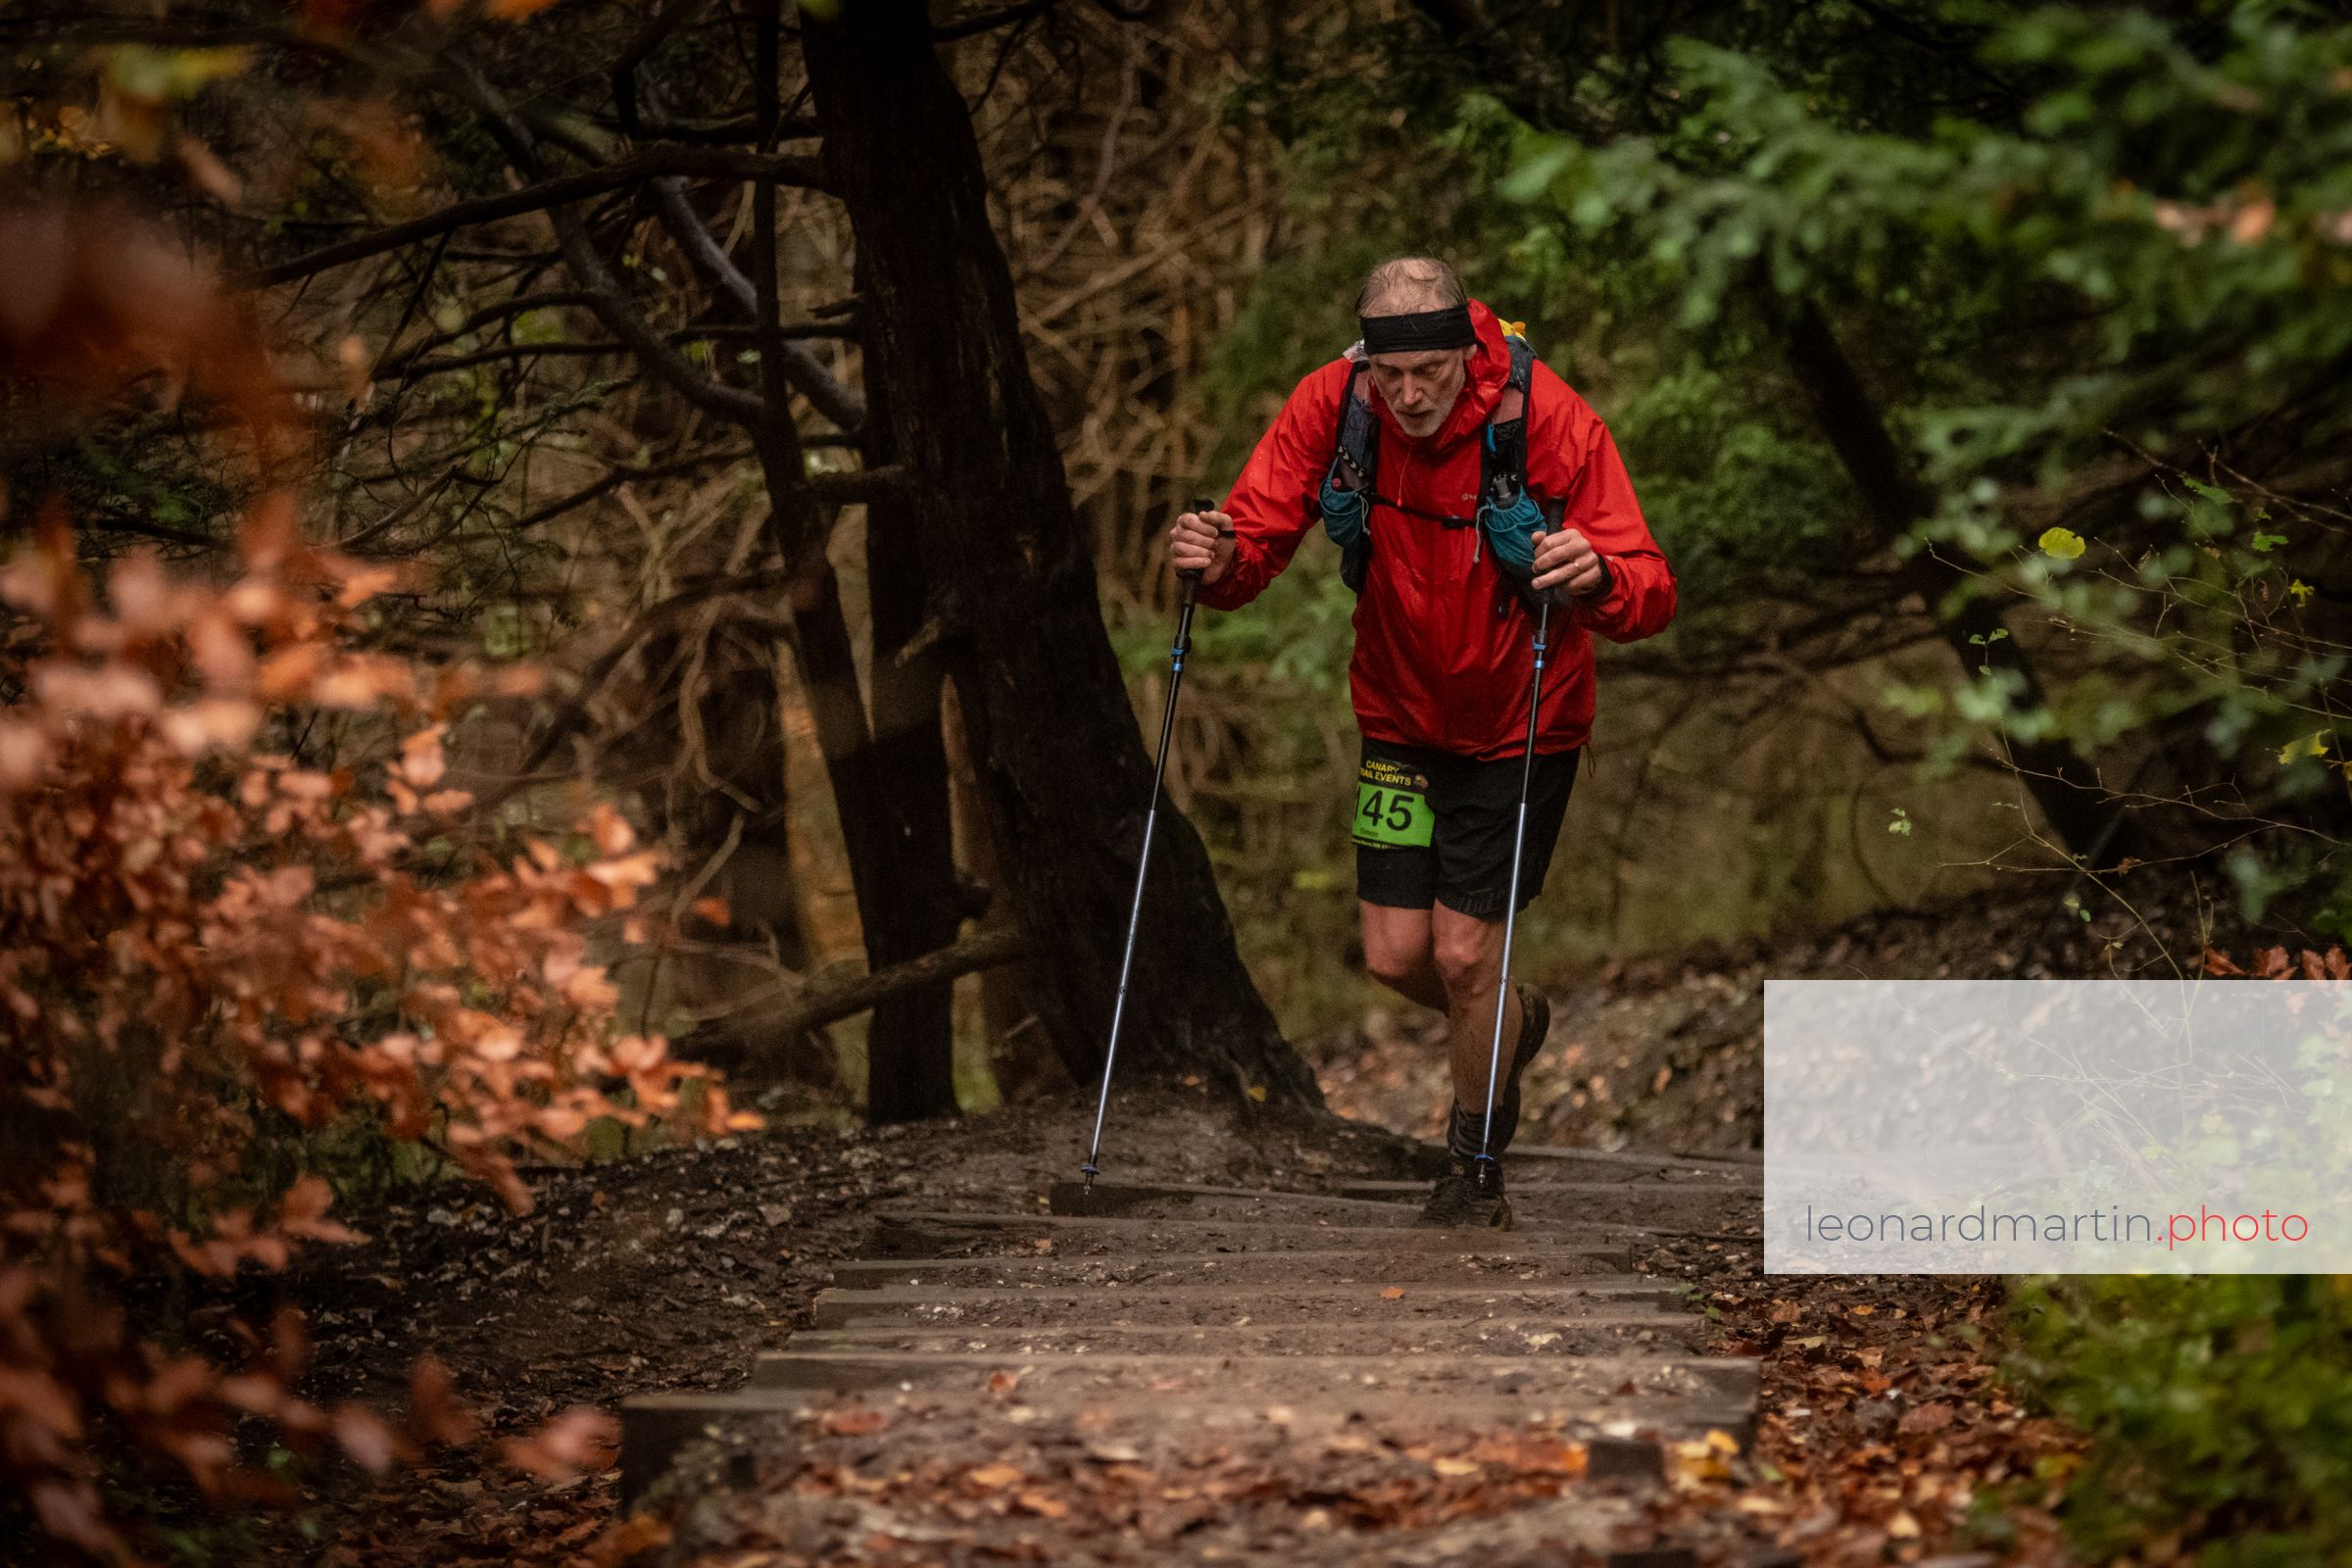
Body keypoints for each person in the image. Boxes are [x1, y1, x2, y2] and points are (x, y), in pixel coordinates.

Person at [1166, 256, 1677, 1226]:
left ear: (1466, 352)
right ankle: (1510, 1019)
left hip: (1523, 723)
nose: (1406, 397)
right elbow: (1253, 541)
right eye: (1389, 375)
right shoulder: (1334, 405)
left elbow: (1650, 588)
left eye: (1428, 374)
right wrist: (1215, 554)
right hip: (1397, 718)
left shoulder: (1551, 419)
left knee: (1462, 955)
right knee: (1398, 957)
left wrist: (1601, 575)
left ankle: (1473, 1169)